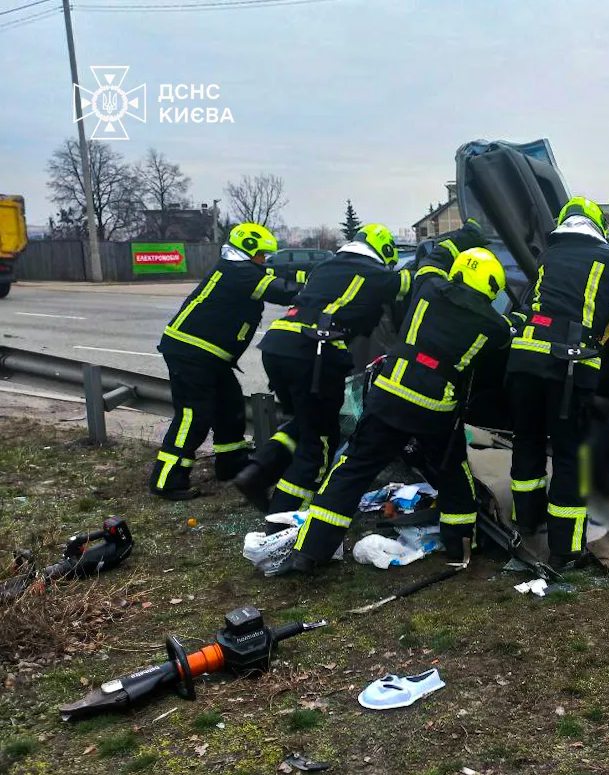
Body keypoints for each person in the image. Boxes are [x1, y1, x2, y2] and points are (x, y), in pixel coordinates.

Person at [270, 242, 513, 576]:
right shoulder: (494, 325)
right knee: (453, 473)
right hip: (436, 408)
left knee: (352, 470)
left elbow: (432, 260)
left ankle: (310, 551)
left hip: (390, 395)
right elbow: (499, 351)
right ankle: (460, 546)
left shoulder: (428, 284)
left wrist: (456, 240)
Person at [505, 196, 609, 569]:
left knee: (526, 439)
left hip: (523, 358)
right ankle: (564, 548)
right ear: (599, 227)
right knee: (569, 454)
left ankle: (526, 521)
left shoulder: (549, 256)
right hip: (568, 365)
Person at [234, 224, 413, 515]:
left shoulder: (326, 265)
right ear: (385, 251)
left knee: (304, 422)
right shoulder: (377, 274)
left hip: (279, 345)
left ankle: (256, 474)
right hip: (314, 353)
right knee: (319, 441)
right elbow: (411, 282)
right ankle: (284, 516)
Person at [148, 222, 301, 501]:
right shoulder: (238, 272)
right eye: (261, 255)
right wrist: (312, 289)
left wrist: (317, 275)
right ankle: (167, 479)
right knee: (194, 416)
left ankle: (231, 463)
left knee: (230, 409)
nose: (264, 260)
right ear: (249, 250)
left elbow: (279, 274)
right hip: (192, 353)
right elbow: (281, 289)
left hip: (210, 357)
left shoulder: (241, 269)